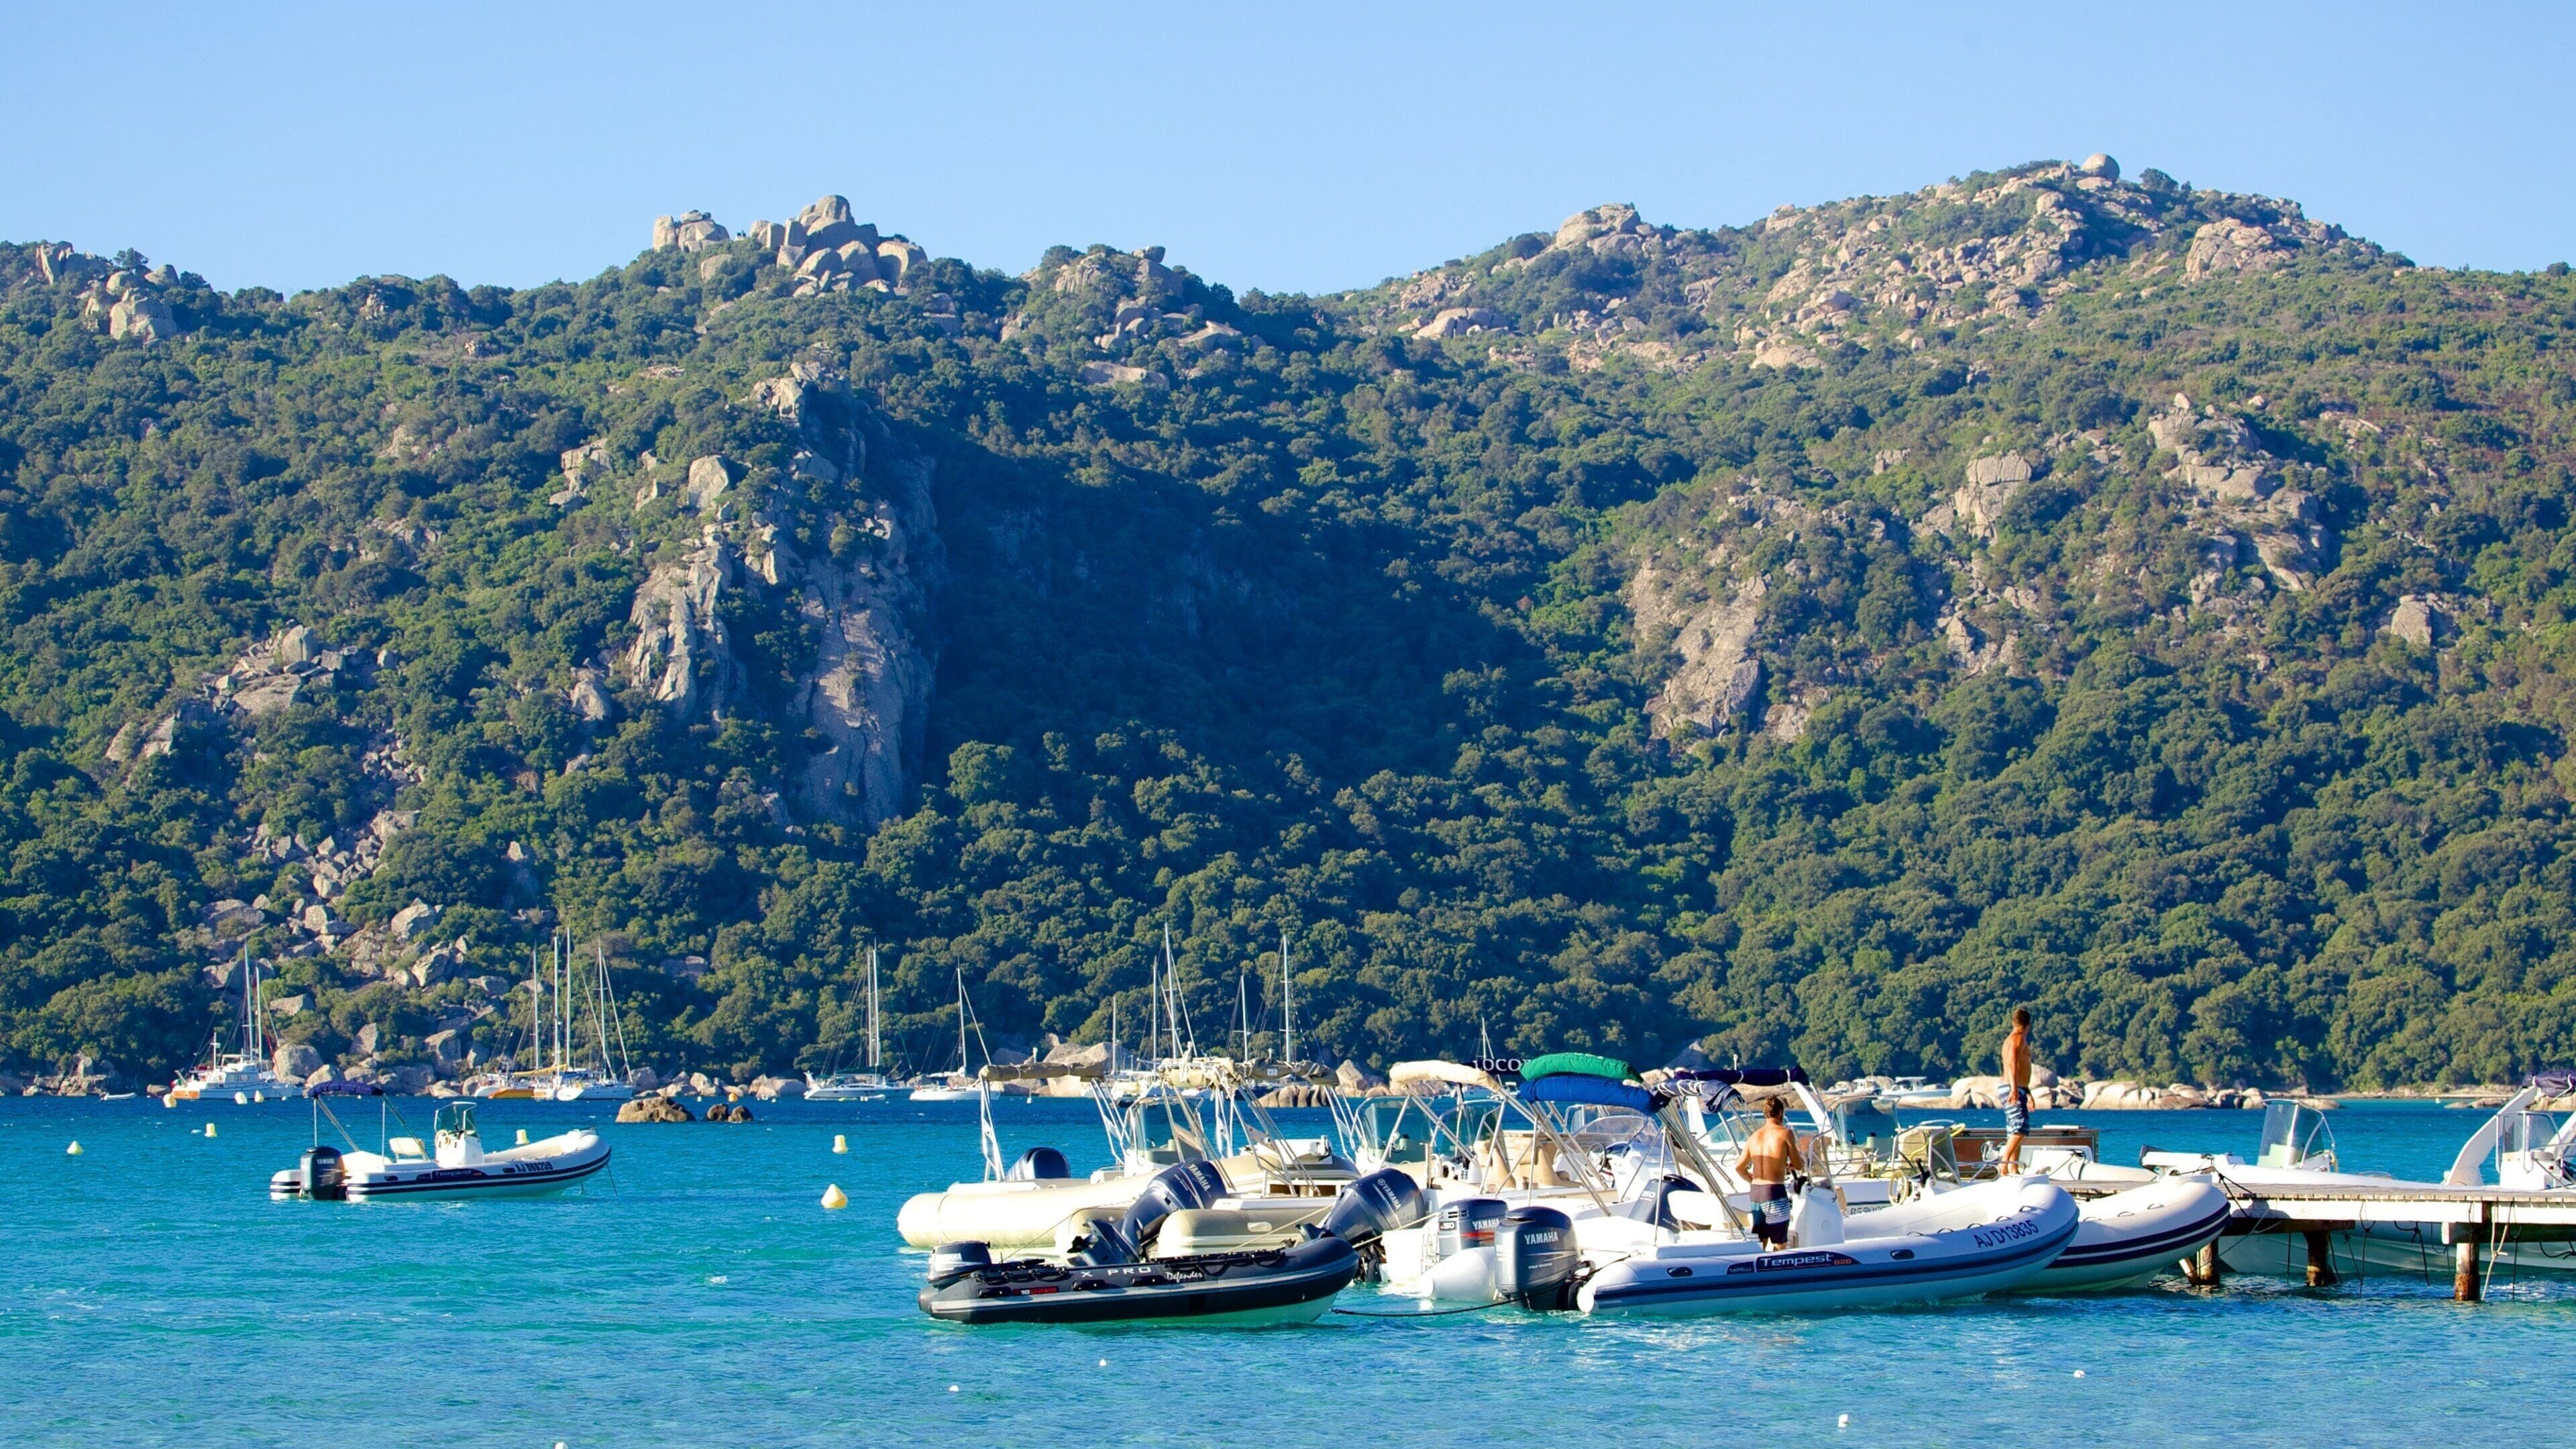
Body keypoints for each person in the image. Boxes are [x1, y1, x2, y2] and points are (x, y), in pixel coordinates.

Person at [1734, 1095, 1801, 1247]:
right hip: (1774, 1191)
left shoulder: (1754, 1137)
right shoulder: (1785, 1133)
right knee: (1779, 1241)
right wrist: (1790, 1163)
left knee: (1761, 1239)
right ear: (1780, 1113)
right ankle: (1778, 1271)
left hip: (1756, 1191)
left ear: (1765, 1114)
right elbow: (1798, 1165)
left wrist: (1752, 1180)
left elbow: (1739, 1167)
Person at [1999, 1006, 2033, 1175]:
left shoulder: (2013, 1039)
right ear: (2028, 1025)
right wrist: (2014, 1089)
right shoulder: (2017, 1039)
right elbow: (2012, 1065)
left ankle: (2013, 1168)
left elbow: (2020, 1069)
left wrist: (2028, 1093)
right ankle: (2003, 1164)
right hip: (2011, 1087)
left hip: (2017, 1087)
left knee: (2014, 1129)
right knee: (2021, 1127)